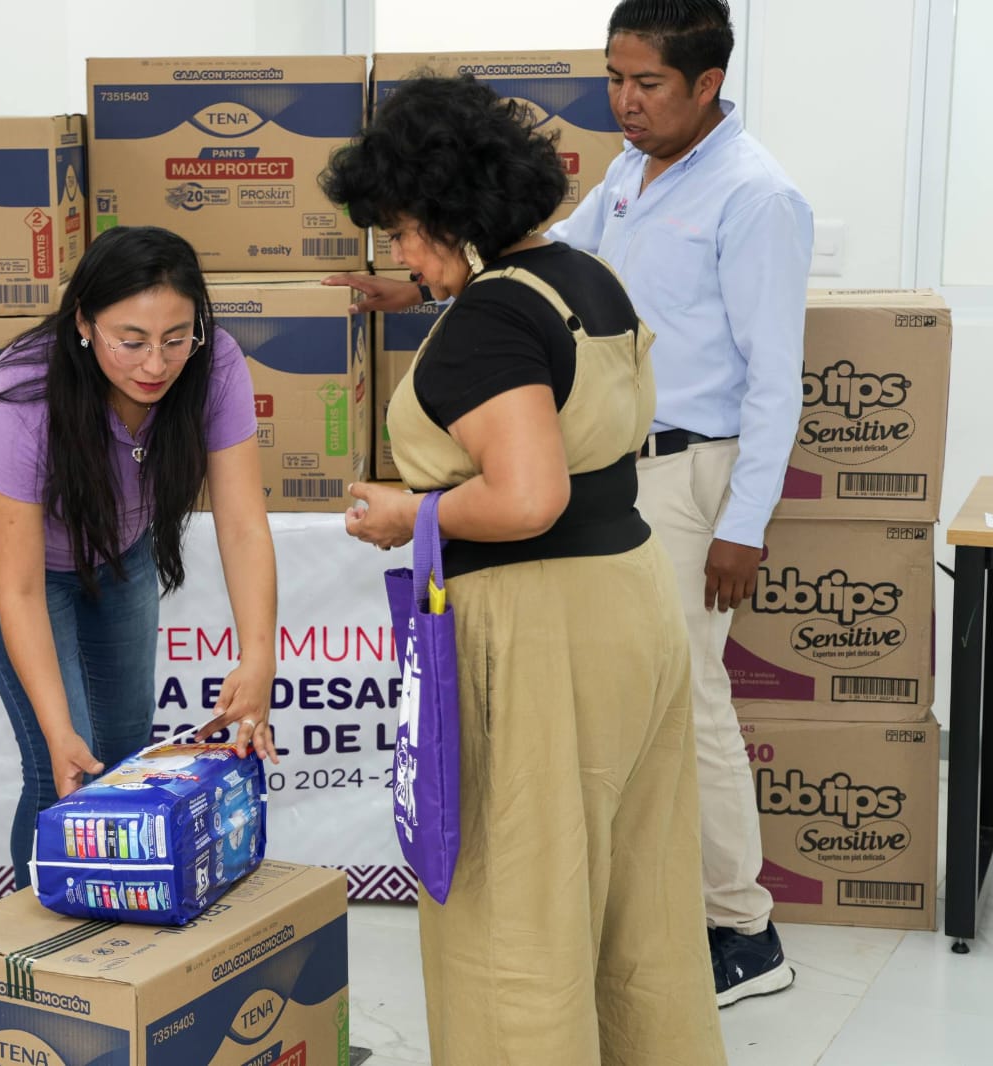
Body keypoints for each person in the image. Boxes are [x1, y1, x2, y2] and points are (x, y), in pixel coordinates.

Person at [326, 0, 812, 1008]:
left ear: (707, 85)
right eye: (614, 79)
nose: (623, 104)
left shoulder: (757, 199)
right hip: (611, 464)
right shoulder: (629, 176)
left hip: (687, 470)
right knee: (646, 714)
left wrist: (742, 525)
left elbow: (777, 377)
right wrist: (417, 289)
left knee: (694, 705)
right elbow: (540, 254)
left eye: (647, 85)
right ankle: (645, 932)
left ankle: (740, 924)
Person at [0, 225, 279, 889]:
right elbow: (21, 591)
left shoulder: (217, 365)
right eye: (132, 341)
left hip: (117, 548)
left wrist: (260, 655)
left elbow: (242, 523)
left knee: (124, 760)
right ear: (84, 325)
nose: (155, 364)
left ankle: (116, 936)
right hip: (10, 563)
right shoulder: (24, 393)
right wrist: (58, 727)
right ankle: (41, 963)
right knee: (61, 763)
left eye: (176, 338)